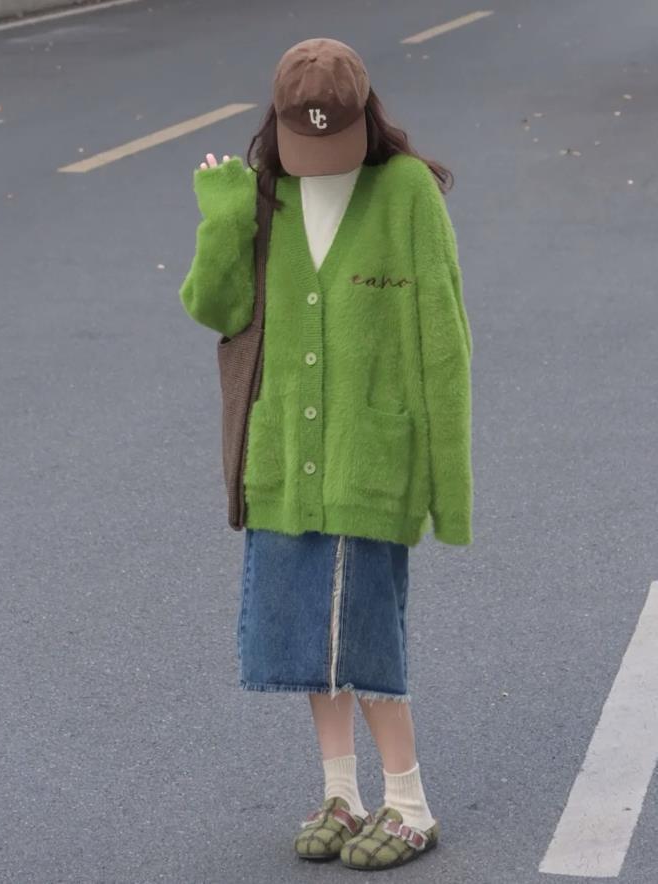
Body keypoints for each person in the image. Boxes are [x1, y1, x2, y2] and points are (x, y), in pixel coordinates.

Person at [178, 36, 473, 872]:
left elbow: (444, 343)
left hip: (368, 460)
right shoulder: (262, 194)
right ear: (276, 124)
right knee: (306, 636)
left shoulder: (405, 191)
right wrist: (223, 218)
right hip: (281, 456)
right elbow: (216, 309)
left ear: (363, 118)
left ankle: (408, 803)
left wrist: (449, 491)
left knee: (366, 637)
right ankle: (341, 792)